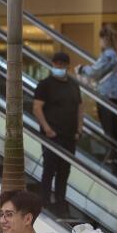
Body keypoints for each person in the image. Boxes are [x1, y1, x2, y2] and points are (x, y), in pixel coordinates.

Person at [33, 52, 84, 210]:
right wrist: (47, 128)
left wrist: (79, 129)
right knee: (49, 168)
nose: (59, 67)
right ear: (52, 64)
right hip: (52, 136)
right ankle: (45, 202)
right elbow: (37, 107)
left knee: (64, 170)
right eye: (56, 64)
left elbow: (80, 108)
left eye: (62, 64)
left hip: (69, 136)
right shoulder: (45, 84)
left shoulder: (73, 85)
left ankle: (60, 202)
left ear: (67, 66)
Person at [77, 25, 117, 164]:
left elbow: (96, 71)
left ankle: (113, 154)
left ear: (106, 39)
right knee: (113, 124)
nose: (100, 42)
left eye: (101, 39)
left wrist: (82, 69)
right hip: (116, 94)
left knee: (108, 125)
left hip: (107, 93)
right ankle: (116, 154)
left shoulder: (109, 54)